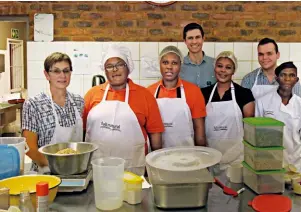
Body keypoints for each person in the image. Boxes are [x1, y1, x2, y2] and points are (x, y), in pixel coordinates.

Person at [83, 45, 164, 176]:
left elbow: (155, 136)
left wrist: (155, 170)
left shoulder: (145, 95)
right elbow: (83, 132)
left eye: (120, 64)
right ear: (104, 70)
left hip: (133, 170)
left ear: (128, 67)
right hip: (97, 169)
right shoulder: (92, 94)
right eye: (109, 66)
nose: (115, 69)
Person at [22, 52, 84, 172]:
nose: (62, 76)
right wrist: (59, 167)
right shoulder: (34, 104)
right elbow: (30, 149)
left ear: (71, 73)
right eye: (56, 71)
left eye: (66, 71)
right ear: (47, 75)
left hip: (75, 171)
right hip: (45, 172)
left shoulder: (78, 102)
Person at [255, 61, 301, 174]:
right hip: (270, 162)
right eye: (283, 75)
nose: (287, 79)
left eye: (292, 75)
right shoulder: (262, 102)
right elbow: (256, 136)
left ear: (296, 80)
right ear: (277, 78)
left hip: (295, 163)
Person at [201, 51, 255, 174]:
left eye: (228, 67)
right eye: (220, 66)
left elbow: (249, 129)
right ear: (214, 68)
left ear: (233, 71)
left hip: (236, 159)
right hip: (210, 157)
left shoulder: (244, 94)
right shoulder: (203, 93)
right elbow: (198, 126)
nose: (223, 70)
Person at [147, 46, 207, 148]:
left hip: (187, 155)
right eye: (165, 62)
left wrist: (201, 158)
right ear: (160, 65)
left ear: (180, 65)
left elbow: (199, 132)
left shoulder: (193, 91)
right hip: (158, 157)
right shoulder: (149, 92)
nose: (169, 67)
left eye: (174, 63)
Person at [180, 23, 216, 88]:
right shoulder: (179, 66)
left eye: (197, 37)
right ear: (185, 41)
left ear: (203, 38)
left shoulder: (215, 64)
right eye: (190, 38)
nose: (194, 41)